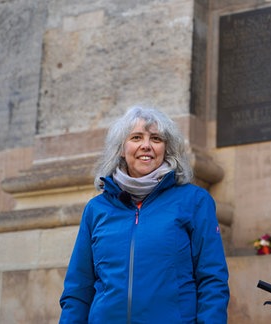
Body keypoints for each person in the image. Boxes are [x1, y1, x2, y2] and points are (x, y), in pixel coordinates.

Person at [59, 106, 230, 323]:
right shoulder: (97, 209)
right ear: (121, 148)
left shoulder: (194, 201)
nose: (146, 146)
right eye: (136, 137)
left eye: (156, 139)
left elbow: (212, 281)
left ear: (167, 149)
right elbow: (78, 289)